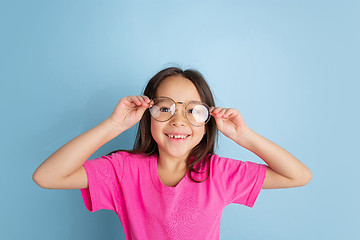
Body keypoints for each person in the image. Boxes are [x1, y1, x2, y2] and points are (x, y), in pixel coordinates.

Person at [33, 67, 312, 239]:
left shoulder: (219, 173)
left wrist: (244, 136)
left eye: (193, 110)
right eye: (165, 108)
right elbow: (47, 176)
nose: (178, 121)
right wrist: (113, 125)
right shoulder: (123, 170)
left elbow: (298, 175)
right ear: (147, 116)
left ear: (207, 122)